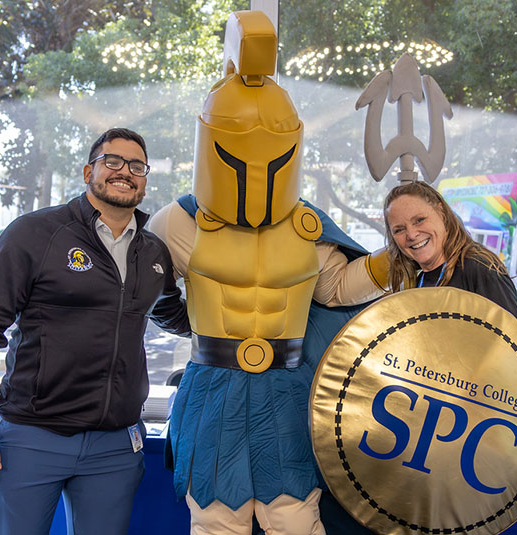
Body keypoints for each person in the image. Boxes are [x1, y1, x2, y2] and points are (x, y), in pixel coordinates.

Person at [148, 11, 388, 535]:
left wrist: (393, 261)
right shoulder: (178, 221)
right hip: (214, 384)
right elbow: (144, 287)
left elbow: (336, 289)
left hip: (290, 388)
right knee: (216, 520)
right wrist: (184, 320)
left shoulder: (307, 226)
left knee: (295, 519)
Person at [0, 127, 190, 534]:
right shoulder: (35, 234)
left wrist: (236, 325)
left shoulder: (152, 251)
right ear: (88, 172)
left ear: (145, 179)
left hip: (115, 444)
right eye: (111, 161)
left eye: (137, 165)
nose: (124, 171)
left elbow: (170, 313)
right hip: (32, 435)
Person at [384, 180, 517, 327]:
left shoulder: (479, 269)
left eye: (419, 220)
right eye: (399, 230)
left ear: (442, 214)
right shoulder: (417, 282)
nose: (412, 235)